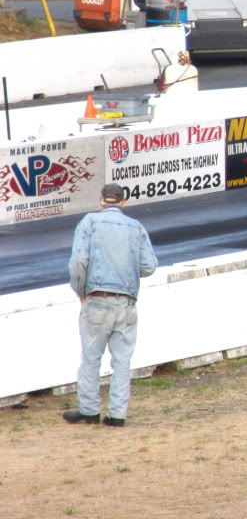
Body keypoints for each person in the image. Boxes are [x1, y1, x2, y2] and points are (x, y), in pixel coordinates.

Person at [64, 183, 157, 427]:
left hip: (97, 298)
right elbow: (149, 266)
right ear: (123, 202)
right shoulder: (136, 227)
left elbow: (78, 262)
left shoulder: (90, 222)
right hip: (126, 302)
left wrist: (81, 290)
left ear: (101, 201)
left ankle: (89, 410)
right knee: (122, 361)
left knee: (91, 358)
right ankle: (117, 415)